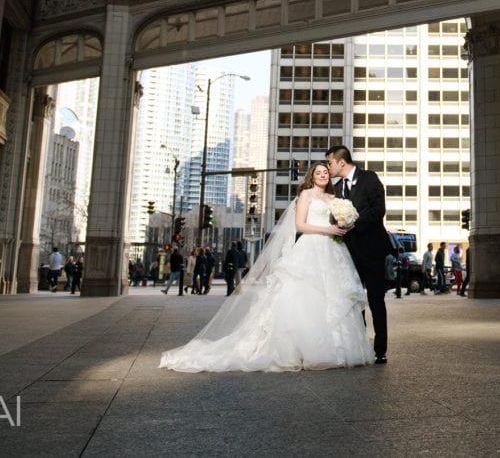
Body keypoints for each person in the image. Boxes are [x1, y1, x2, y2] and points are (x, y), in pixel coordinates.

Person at [159, 161, 373, 372]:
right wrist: (328, 230)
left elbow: (339, 220)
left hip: (333, 250)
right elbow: (300, 225)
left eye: (325, 172)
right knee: (306, 294)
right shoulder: (306, 195)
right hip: (311, 247)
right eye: (318, 172)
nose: (323, 175)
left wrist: (344, 224)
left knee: (334, 297)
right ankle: (303, 349)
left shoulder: (334, 198)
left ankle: (340, 348)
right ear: (312, 176)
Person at [326, 145, 392, 364]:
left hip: (372, 249)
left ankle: (380, 350)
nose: (329, 167)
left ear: (341, 162)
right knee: (354, 300)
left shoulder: (369, 178)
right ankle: (359, 347)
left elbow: (378, 210)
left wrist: (353, 222)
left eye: (330, 163)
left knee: (375, 299)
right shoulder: (335, 189)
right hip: (349, 252)